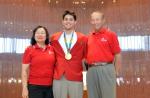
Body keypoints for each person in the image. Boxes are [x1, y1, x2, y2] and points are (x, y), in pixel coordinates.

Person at [50, 10, 87, 98]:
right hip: (59, 75)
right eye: (66, 19)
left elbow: (86, 56)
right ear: (62, 22)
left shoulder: (83, 38)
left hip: (76, 75)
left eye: (71, 19)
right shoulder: (54, 38)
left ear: (75, 22)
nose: (68, 21)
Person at [86, 11, 122, 98]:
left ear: (103, 20)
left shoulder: (111, 35)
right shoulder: (88, 37)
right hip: (91, 71)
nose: (95, 22)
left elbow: (117, 54)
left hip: (106, 69)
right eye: (93, 20)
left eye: (97, 19)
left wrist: (116, 72)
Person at [21, 26, 55, 98]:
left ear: (46, 36)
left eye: (42, 33)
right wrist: (24, 88)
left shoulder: (52, 49)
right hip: (34, 86)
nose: (40, 35)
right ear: (34, 36)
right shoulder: (29, 49)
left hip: (50, 86)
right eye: (38, 33)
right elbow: (24, 71)